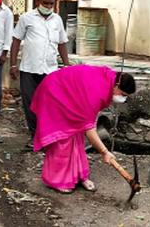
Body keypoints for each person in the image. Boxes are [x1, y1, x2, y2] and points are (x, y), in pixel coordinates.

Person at [32, 65, 136, 193]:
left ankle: (78, 175)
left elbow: (86, 123)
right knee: (63, 139)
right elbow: (89, 128)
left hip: (70, 93)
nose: (122, 98)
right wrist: (104, 152)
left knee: (76, 134)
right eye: (123, 94)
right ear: (116, 85)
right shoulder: (97, 92)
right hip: (54, 93)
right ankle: (57, 180)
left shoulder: (110, 79)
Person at [10, 0, 69, 145]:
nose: (48, 6)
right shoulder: (26, 18)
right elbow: (16, 41)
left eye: (51, 4)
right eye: (45, 3)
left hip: (50, 70)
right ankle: (35, 136)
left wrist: (67, 64)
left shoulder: (57, 20)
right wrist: (13, 64)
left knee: (49, 105)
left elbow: (62, 43)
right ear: (38, 2)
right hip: (29, 69)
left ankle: (48, 136)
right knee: (30, 104)